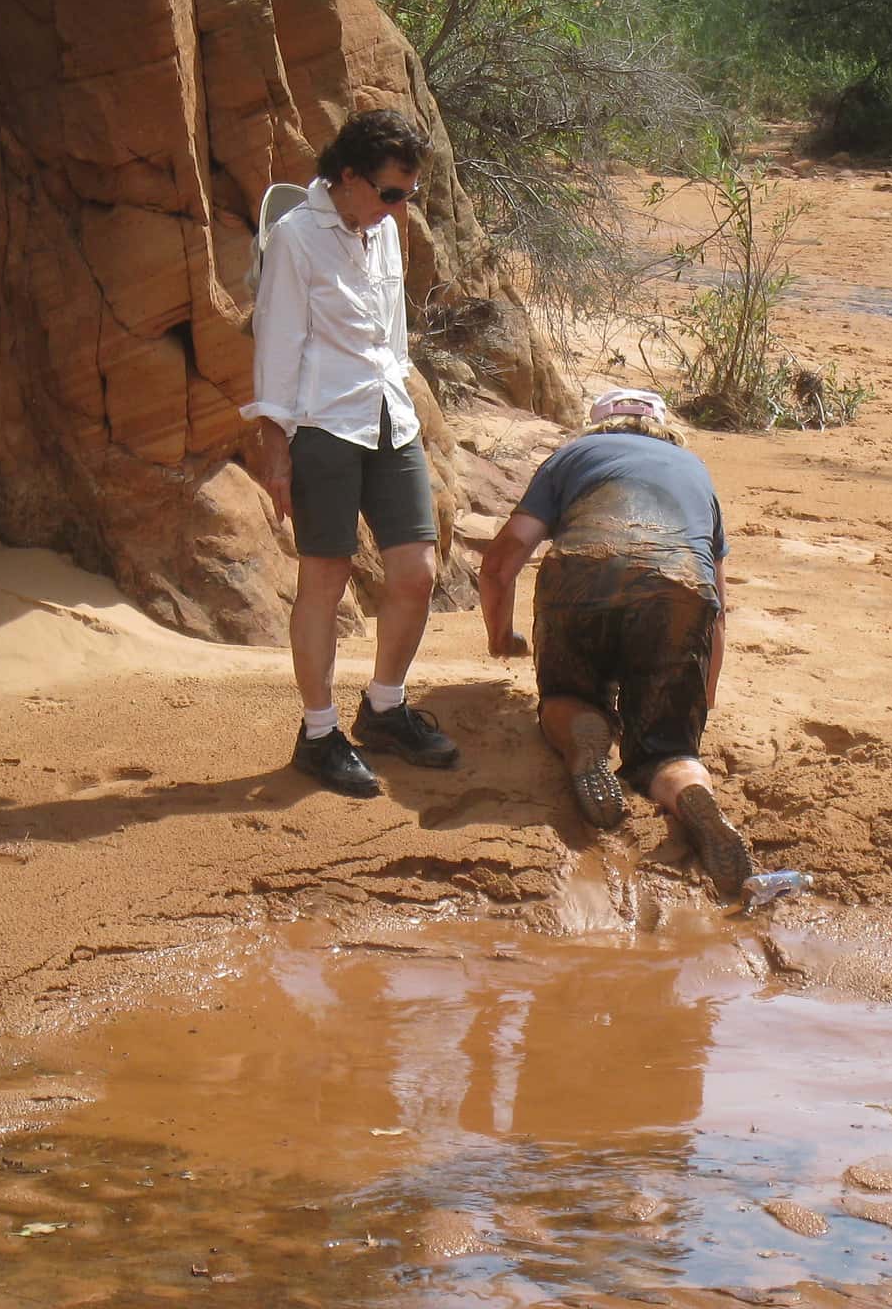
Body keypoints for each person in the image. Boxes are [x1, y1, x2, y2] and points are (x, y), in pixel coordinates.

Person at [241, 109, 460, 797]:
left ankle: (385, 707)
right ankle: (317, 733)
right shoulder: (297, 238)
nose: (400, 208)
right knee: (325, 582)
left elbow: (392, 339)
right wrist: (275, 447)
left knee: (416, 572)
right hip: (323, 426)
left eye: (408, 195)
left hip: (388, 420)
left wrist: (411, 410)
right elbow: (276, 344)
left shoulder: (384, 232)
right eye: (390, 193)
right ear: (347, 177)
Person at [477, 388, 754, 900]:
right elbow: (716, 606)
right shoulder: (695, 472)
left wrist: (500, 634)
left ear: (599, 426)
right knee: (667, 747)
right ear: (665, 429)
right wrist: (701, 695)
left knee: (567, 696)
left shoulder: (573, 456)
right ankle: (691, 791)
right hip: (677, 583)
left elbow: (503, 558)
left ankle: (586, 730)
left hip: (583, 567)